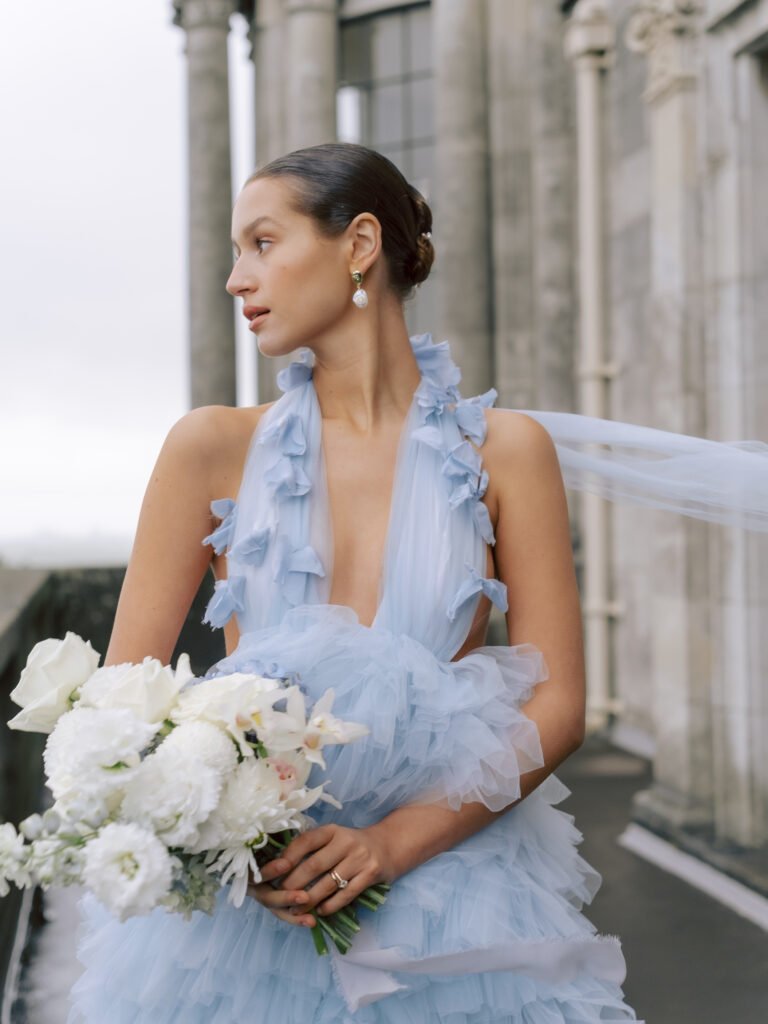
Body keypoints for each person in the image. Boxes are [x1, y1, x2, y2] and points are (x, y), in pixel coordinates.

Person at [67, 141, 766, 1023]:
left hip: (453, 894)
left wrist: (391, 845)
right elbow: (123, 699)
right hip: (251, 911)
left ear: (359, 245)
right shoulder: (208, 447)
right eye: (236, 252)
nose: (237, 278)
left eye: (263, 243)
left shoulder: (508, 454)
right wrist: (235, 836)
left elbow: (556, 706)